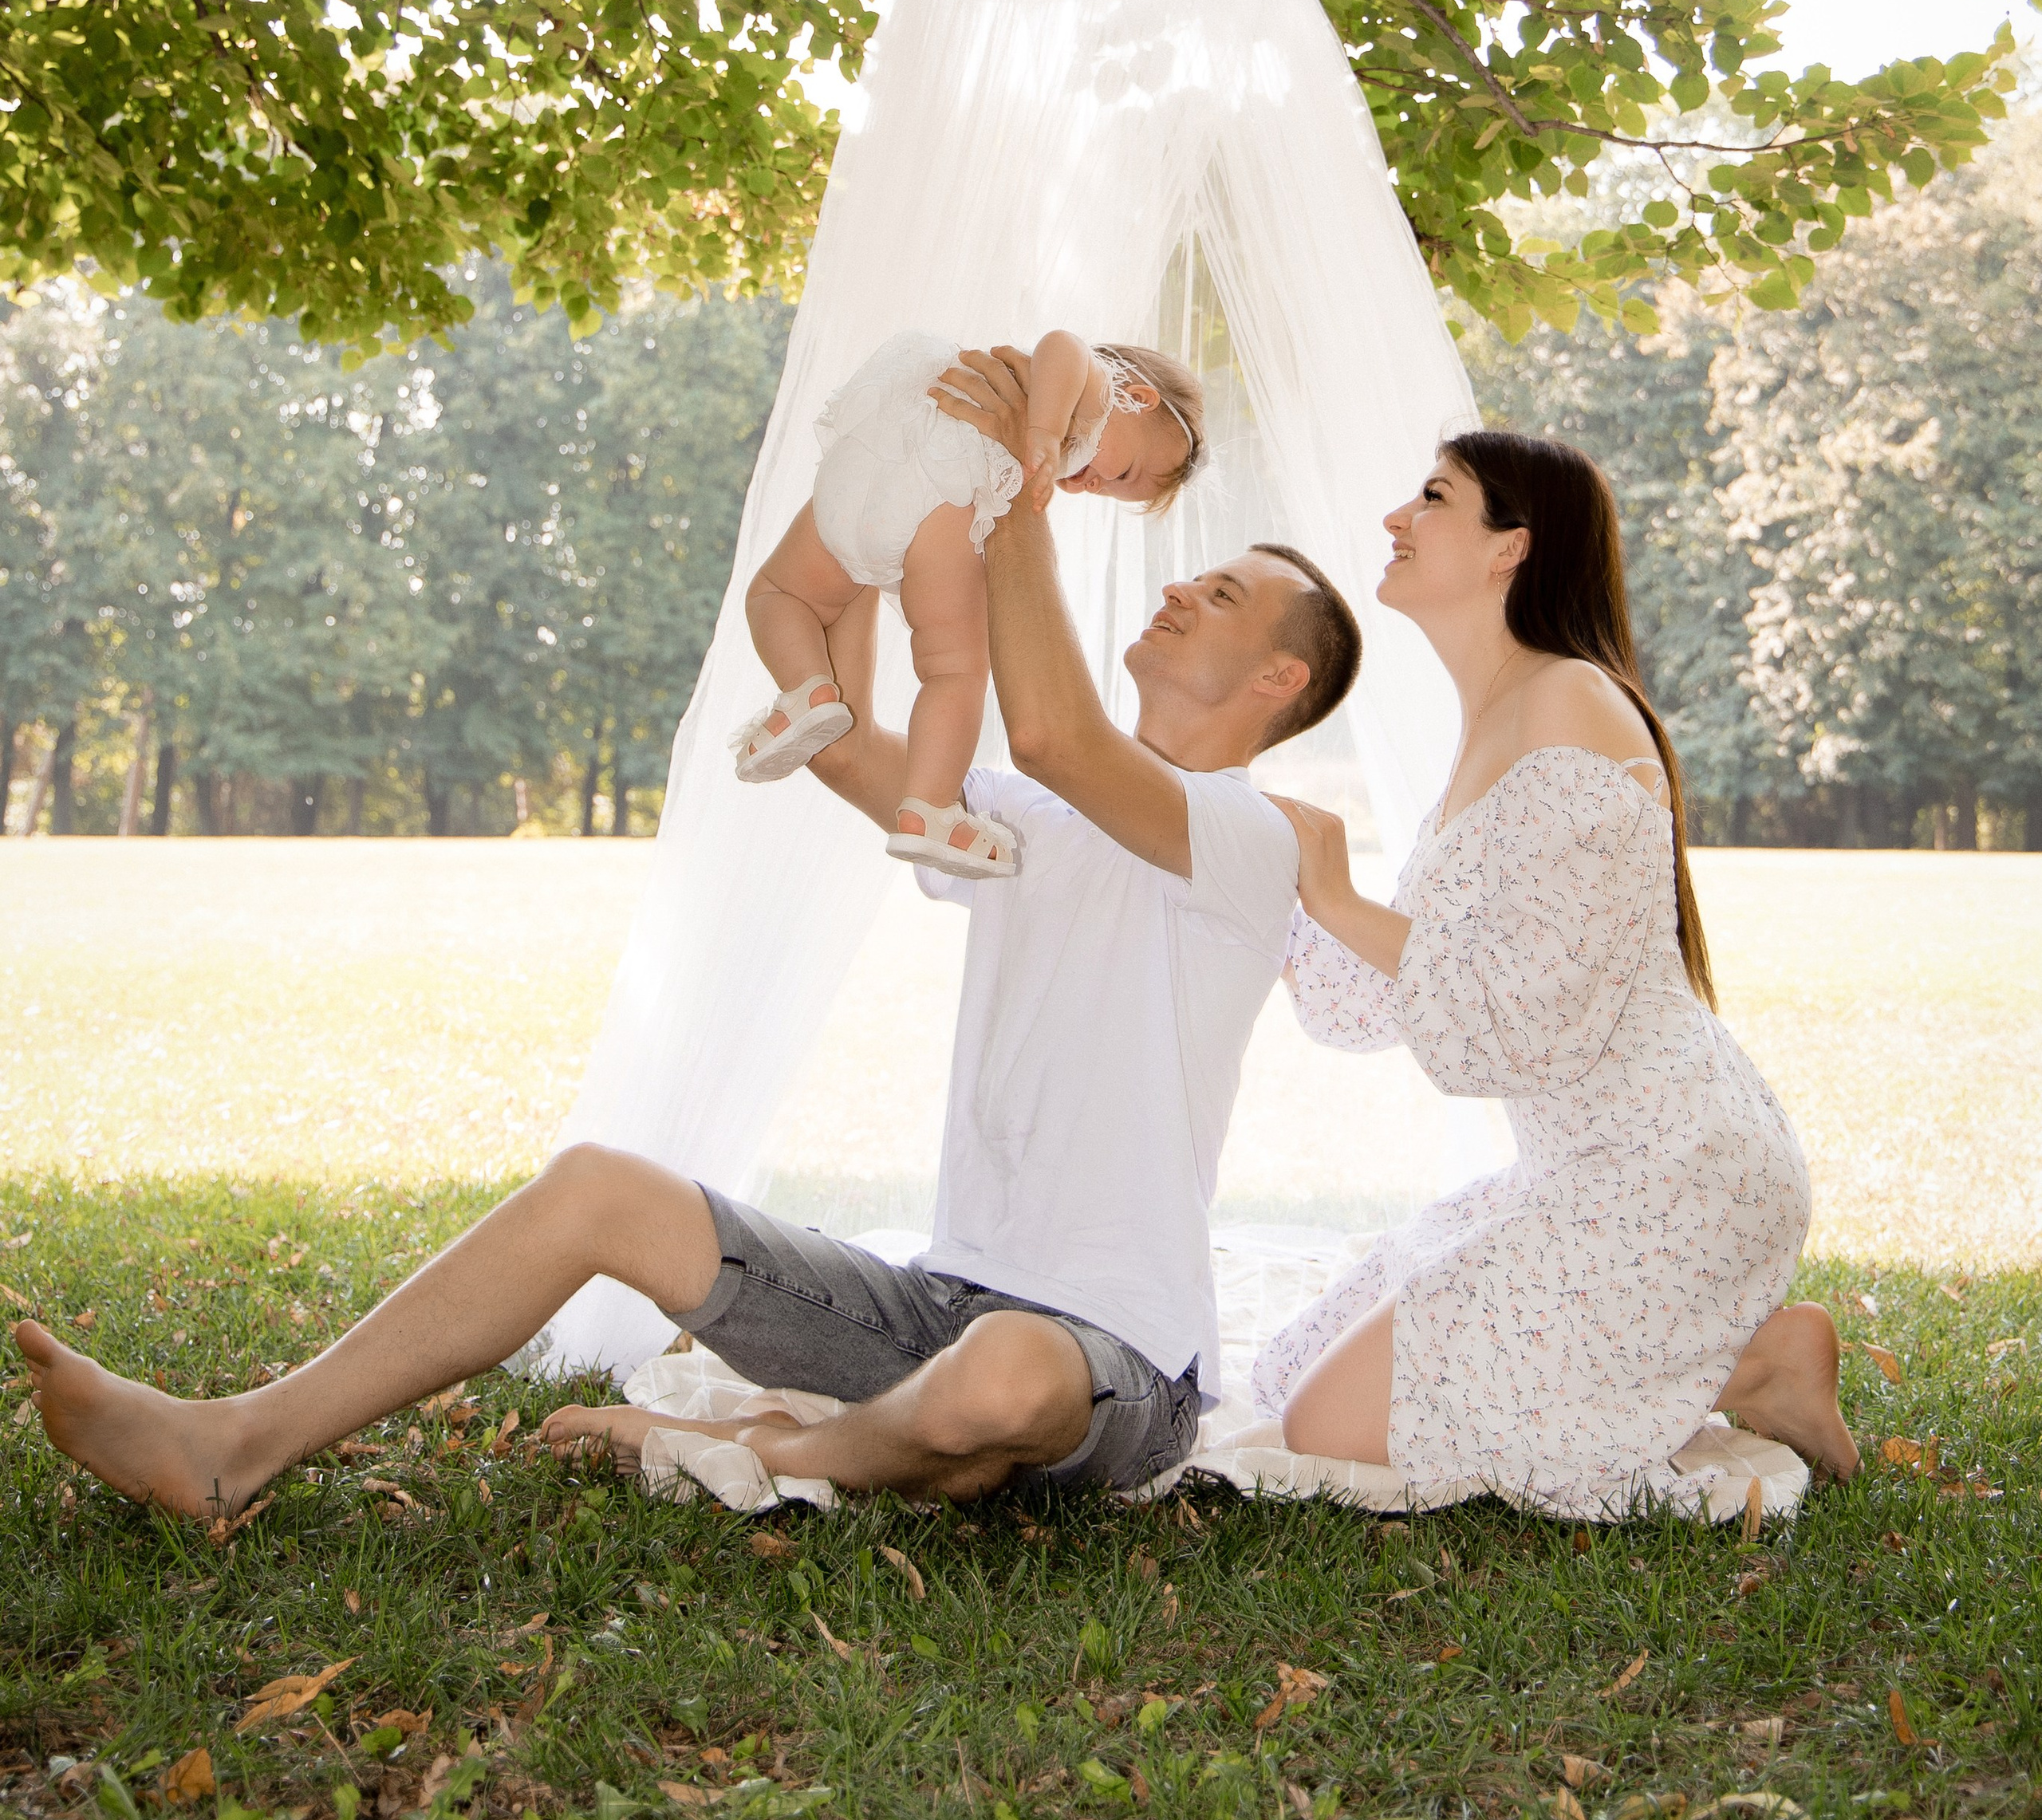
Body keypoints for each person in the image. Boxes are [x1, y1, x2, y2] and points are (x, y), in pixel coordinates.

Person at [16, 345, 1358, 1517]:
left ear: (1278, 680)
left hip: (1110, 1363)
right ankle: (234, 1441)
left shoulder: (1251, 841)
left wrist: (1016, 479)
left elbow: (1059, 731)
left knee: (1006, 1378)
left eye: (1225, 598)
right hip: (935, 1310)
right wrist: (891, 531)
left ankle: (761, 1449)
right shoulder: (1019, 819)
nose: (1180, 592)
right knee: (600, 1186)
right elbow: (845, 739)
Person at [1252, 427, 1859, 1514]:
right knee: (1305, 1364)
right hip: (1588, 1168)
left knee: (1330, 1426)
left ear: (1509, 549)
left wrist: (1338, 896)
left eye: (1433, 497)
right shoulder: (1495, 720)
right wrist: (1270, 886)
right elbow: (1383, 1002)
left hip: (1669, 1173)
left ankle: (1735, 1365)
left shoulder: (1570, 703)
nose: (1397, 519)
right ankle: (1755, 1362)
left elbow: (1516, 1021)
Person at [730, 328, 1204, 878]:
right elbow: (1064, 345)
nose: (1091, 482)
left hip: (861, 471)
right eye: (1121, 473)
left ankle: (805, 690)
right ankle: (928, 811)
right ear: (1137, 396)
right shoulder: (1098, 391)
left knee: (779, 593)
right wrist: (1047, 433)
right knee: (953, 670)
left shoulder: (1073, 427)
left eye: (1103, 489)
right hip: (943, 499)